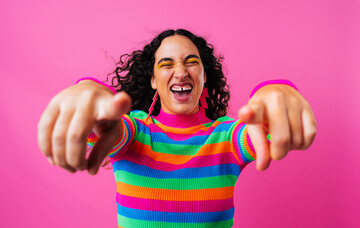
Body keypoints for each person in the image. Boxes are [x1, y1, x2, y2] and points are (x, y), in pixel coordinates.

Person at [38, 29, 316, 227]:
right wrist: (90, 90)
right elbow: (109, 128)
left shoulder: (228, 137)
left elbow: (263, 129)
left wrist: (273, 91)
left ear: (204, 76)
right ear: (154, 81)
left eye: (191, 62)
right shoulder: (135, 131)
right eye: (167, 63)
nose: (181, 71)